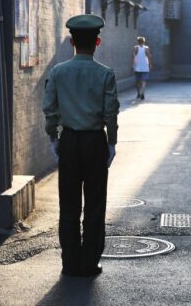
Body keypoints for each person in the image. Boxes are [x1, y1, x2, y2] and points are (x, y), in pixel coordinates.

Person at [42, 14, 120, 277]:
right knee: (95, 203)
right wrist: (112, 142)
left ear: (72, 42)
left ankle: (70, 262)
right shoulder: (105, 74)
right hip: (95, 141)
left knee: (69, 203)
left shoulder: (58, 72)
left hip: (69, 141)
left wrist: (54, 138)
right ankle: (89, 262)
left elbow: (50, 109)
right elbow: (111, 113)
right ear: (97, 42)